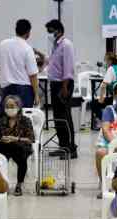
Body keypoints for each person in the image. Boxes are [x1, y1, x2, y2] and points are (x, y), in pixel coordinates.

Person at [45, 19, 77, 158]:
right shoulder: (56, 45)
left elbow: (68, 68)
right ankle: (63, 146)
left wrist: (64, 87)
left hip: (63, 84)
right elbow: (54, 64)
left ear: (58, 30)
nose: (50, 34)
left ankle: (71, 149)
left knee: (65, 117)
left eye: (51, 31)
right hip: (55, 84)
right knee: (58, 117)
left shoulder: (66, 45)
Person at [0, 95, 35, 196]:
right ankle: (2, 183)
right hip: (5, 146)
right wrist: (3, 138)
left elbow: (30, 139)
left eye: (12, 106)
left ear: (18, 107)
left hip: (21, 146)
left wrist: (15, 139)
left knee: (21, 156)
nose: (9, 109)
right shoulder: (2, 120)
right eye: (7, 106)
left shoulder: (25, 120)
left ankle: (19, 184)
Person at [0, 18, 40, 109]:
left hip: (6, 89)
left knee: (7, 116)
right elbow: (33, 75)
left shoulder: (2, 45)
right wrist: (36, 95)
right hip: (24, 91)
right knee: (23, 117)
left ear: (16, 30)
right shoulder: (27, 48)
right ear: (28, 33)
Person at [95, 52, 117, 120]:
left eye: (105, 61)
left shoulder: (111, 69)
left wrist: (101, 100)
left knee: (94, 104)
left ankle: (106, 121)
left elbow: (103, 86)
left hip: (116, 99)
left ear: (109, 61)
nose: (105, 63)